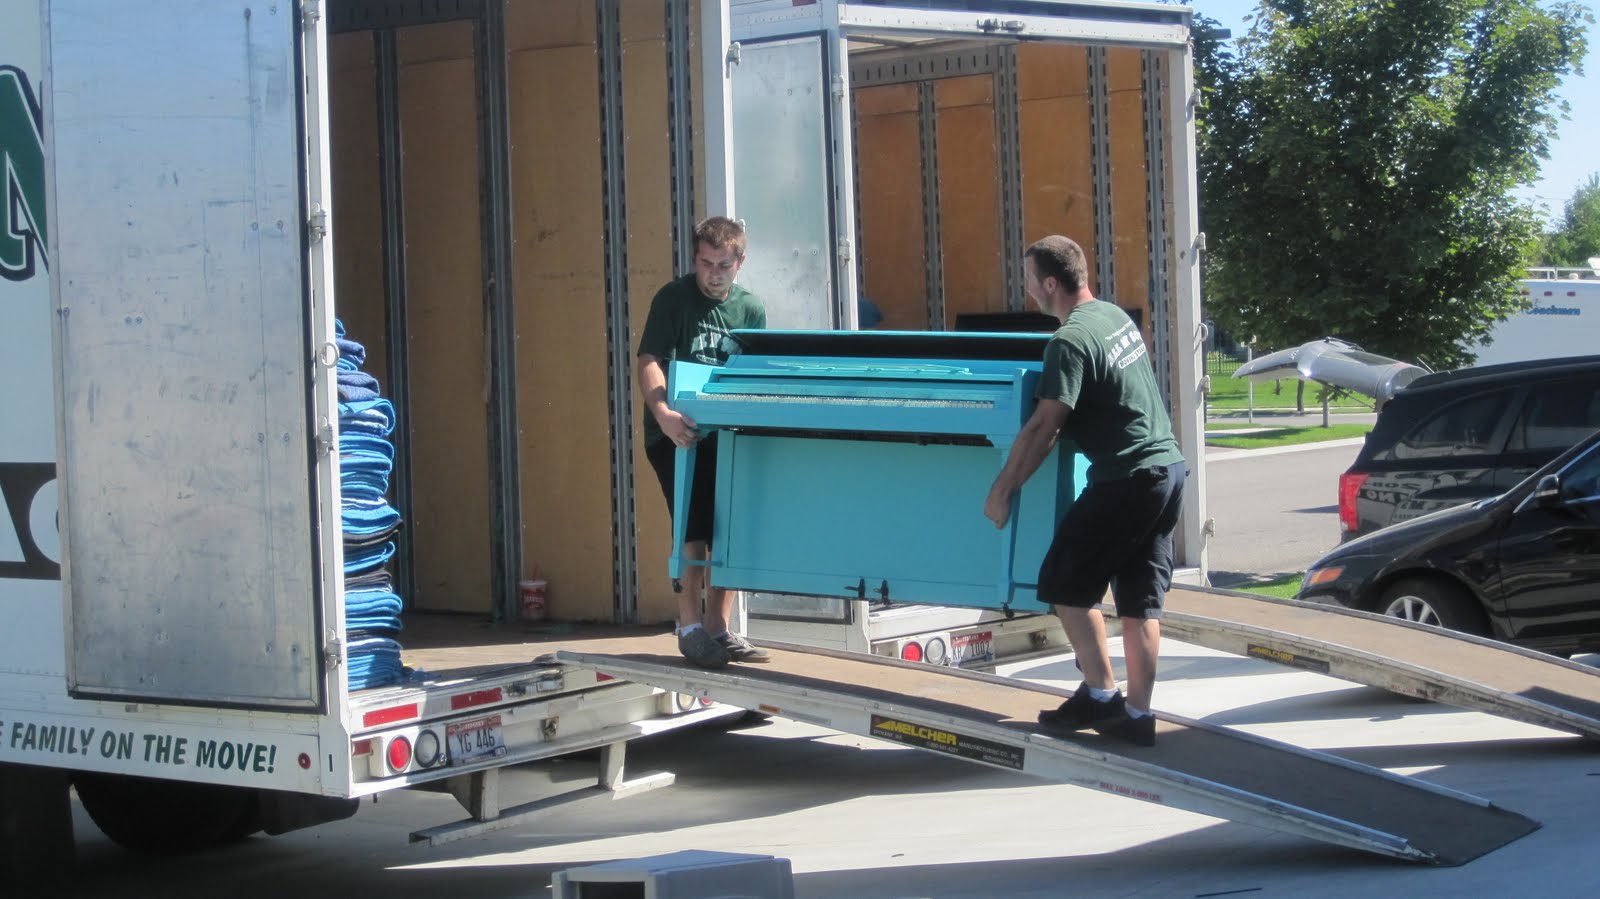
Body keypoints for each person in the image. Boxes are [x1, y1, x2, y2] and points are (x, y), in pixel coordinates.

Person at [984, 235, 1186, 746]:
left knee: (1063, 584)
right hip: (1168, 468)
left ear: (1050, 283)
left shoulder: (1068, 342)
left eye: (1029, 279)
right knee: (1140, 602)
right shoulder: (1114, 317)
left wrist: (1003, 488)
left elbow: (1043, 427)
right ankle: (1138, 717)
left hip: (1129, 477)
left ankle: (1100, 695)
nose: (1027, 289)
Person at [636, 216, 770, 669]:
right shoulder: (673, 299)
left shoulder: (751, 310)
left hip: (725, 437)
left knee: (727, 530)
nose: (713, 274)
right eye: (705, 263)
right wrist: (665, 416)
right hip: (678, 435)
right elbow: (649, 360)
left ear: (740, 262)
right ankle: (689, 627)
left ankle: (718, 628)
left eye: (723, 266)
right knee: (692, 531)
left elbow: (756, 373)